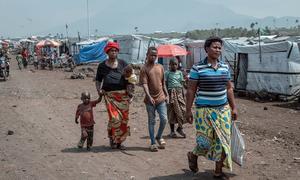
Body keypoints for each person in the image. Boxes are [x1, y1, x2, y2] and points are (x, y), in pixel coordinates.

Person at [185, 37, 238, 178]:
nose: (218, 50)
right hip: (204, 111)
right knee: (205, 142)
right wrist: (188, 110)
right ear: (207, 49)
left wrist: (234, 108)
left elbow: (229, 89)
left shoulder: (224, 67)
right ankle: (193, 154)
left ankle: (218, 171)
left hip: (223, 110)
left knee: (223, 141)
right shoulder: (198, 68)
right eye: (215, 47)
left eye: (220, 48)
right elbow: (191, 90)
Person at [95, 41, 132, 150]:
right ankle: (113, 138)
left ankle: (119, 142)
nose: (114, 52)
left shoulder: (123, 64)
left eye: (115, 51)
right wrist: (99, 90)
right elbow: (98, 80)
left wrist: (131, 94)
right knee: (115, 119)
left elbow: (130, 79)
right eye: (111, 51)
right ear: (107, 52)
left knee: (124, 120)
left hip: (123, 96)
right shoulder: (102, 66)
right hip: (110, 96)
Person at [140, 47, 169, 152]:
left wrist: (167, 95)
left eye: (155, 55)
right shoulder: (144, 69)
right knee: (151, 121)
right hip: (150, 101)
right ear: (147, 55)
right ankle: (153, 142)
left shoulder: (160, 67)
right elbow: (144, 84)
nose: (153, 57)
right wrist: (149, 96)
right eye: (151, 55)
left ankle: (159, 136)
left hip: (161, 98)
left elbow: (163, 83)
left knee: (164, 119)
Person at [165, 58, 187, 138]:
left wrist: (185, 84)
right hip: (171, 94)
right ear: (169, 65)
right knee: (172, 112)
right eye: (172, 64)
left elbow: (182, 84)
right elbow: (166, 84)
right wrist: (167, 94)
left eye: (176, 64)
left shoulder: (180, 73)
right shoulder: (167, 73)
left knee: (183, 110)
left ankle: (180, 128)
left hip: (179, 93)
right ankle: (172, 131)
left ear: (178, 65)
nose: (174, 66)